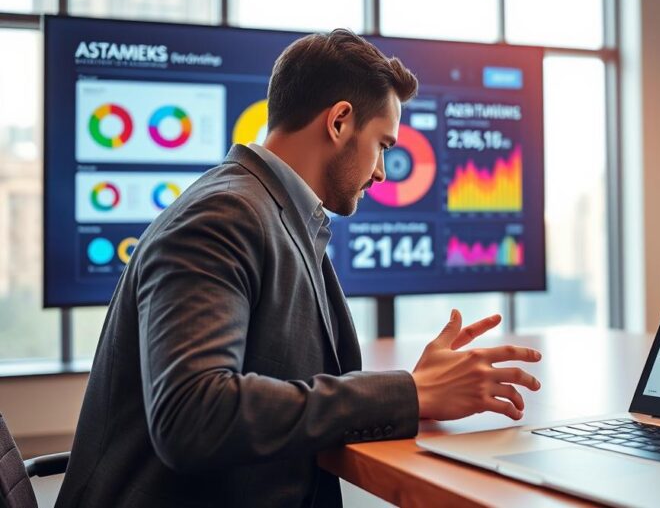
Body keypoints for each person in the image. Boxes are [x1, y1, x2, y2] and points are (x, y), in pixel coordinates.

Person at [55, 30, 542, 508]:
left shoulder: (275, 213)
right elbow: (194, 416)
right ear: (339, 122)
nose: (382, 172)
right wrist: (407, 394)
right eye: (384, 146)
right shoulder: (221, 218)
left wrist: (416, 387)